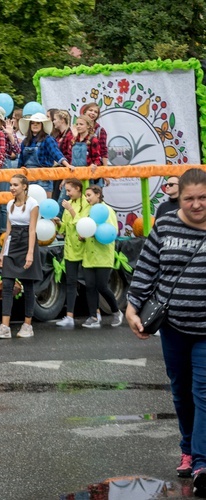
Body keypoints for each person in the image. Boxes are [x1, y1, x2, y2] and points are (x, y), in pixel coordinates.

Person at [125, 168, 206, 488]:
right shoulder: (166, 226)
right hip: (172, 326)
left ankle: (201, 464)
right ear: (179, 198)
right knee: (181, 392)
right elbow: (146, 269)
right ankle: (187, 449)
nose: (197, 204)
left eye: (203, 198)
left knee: (203, 393)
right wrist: (132, 308)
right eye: (190, 199)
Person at [0, 174, 41, 339]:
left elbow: (33, 229)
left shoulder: (33, 204)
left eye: (15, 185)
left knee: (28, 286)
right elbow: (8, 231)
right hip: (13, 244)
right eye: (10, 185)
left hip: (27, 241)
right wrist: (2, 254)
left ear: (24, 186)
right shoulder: (10, 203)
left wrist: (30, 253)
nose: (12, 188)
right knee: (6, 284)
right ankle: (5, 326)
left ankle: (27, 325)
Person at [80, 185, 123, 328]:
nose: (87, 198)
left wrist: (94, 233)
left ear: (98, 194)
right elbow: (86, 227)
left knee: (102, 286)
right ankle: (93, 316)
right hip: (89, 255)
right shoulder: (88, 211)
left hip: (103, 255)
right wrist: (83, 236)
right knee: (90, 286)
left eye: (89, 195)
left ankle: (116, 312)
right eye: (86, 196)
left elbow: (111, 231)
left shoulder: (107, 210)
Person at [52, 178, 88, 328]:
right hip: (70, 248)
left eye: (69, 190)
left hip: (85, 248)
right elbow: (66, 229)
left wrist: (71, 210)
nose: (67, 194)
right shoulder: (69, 205)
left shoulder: (86, 203)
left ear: (78, 189)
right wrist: (59, 223)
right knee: (71, 282)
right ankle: (70, 316)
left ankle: (96, 313)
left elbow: (84, 224)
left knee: (91, 283)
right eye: (66, 191)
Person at [18, 113, 73, 198]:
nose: (35, 125)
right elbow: (21, 161)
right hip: (28, 177)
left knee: (44, 205)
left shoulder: (48, 139)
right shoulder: (25, 141)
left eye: (38, 123)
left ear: (42, 125)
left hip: (44, 177)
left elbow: (56, 153)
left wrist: (67, 164)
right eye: (32, 123)